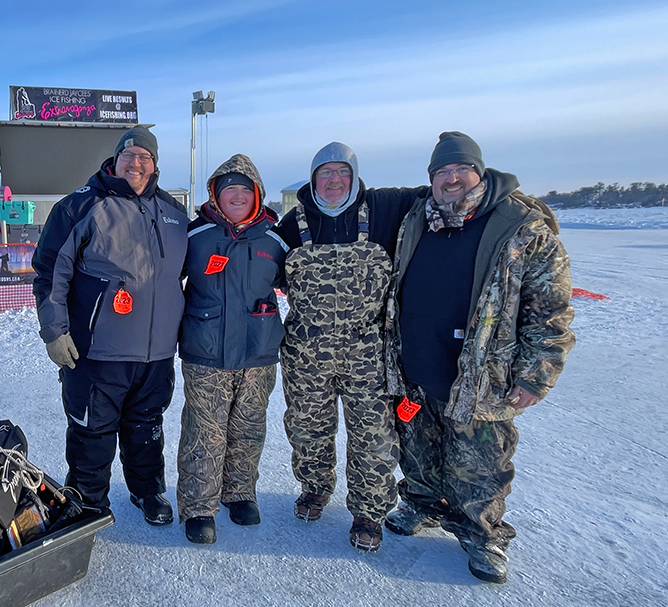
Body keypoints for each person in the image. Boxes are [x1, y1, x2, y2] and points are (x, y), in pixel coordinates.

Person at [383, 132, 575, 583]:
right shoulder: (418, 219)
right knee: (418, 449)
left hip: (480, 373)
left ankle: (483, 535)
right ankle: (421, 504)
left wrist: (536, 373)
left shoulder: (521, 227)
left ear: (479, 171)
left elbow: (550, 310)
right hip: (418, 363)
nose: (451, 179)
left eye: (459, 169)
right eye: (441, 172)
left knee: (480, 463)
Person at [33, 125, 188, 524]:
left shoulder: (173, 213)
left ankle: (147, 491)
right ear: (115, 160)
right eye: (129, 155)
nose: (136, 164)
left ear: (154, 166)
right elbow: (50, 273)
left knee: (147, 428)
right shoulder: (80, 206)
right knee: (92, 434)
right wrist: (54, 331)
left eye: (145, 157)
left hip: (155, 355)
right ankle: (87, 503)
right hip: (96, 351)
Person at [273, 143, 424, 551]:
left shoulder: (384, 208)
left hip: (368, 352)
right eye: (326, 173)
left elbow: (445, 192)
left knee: (374, 435)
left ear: (355, 175)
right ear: (313, 178)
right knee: (307, 427)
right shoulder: (292, 224)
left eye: (343, 171)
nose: (335, 180)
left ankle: (368, 511)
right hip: (307, 352)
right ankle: (315, 485)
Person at [176, 155, 286, 545]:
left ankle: (239, 492)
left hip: (259, 352)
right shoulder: (195, 236)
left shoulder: (275, 239)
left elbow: (299, 284)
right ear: (215, 195)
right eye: (229, 190)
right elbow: (164, 282)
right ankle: (198, 506)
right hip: (206, 352)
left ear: (257, 195)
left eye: (244, 189)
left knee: (249, 428)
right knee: (204, 431)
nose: (237, 196)